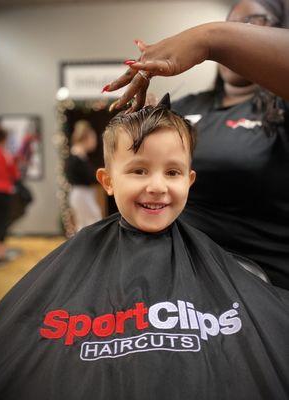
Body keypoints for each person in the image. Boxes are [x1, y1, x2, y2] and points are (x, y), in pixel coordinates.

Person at [0, 101, 288, 399]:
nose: (158, 186)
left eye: (173, 172)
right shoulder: (73, 260)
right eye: (139, 170)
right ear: (107, 181)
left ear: (189, 180)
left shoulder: (217, 261)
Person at [104, 0, 289, 290]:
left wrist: (210, 37)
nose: (238, 34)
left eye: (252, 25)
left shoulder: (280, 111)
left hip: (262, 286)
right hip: (181, 278)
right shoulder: (187, 105)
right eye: (232, 26)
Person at [0, 124, 20, 265]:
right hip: (2, 193)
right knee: (1, 222)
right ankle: (0, 255)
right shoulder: (5, 154)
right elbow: (15, 174)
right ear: (4, 138)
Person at [65, 120, 102, 231]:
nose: (95, 142)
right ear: (86, 138)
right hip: (81, 193)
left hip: (83, 193)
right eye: (93, 138)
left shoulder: (80, 156)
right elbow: (90, 177)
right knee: (91, 222)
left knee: (87, 223)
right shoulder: (77, 157)